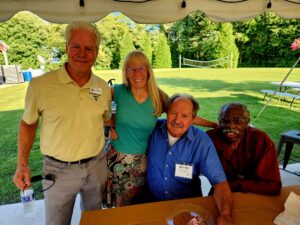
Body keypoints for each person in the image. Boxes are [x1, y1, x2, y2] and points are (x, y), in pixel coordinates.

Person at [13, 21, 111, 225]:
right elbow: (28, 124)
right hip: (58, 171)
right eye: (76, 46)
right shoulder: (41, 85)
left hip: (96, 167)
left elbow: (106, 119)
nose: (82, 53)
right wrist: (22, 164)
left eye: (89, 48)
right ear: (66, 47)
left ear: (97, 52)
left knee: (95, 220)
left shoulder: (102, 87)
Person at [106, 50, 218, 207]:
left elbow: (183, 114)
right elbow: (94, 108)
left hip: (143, 162)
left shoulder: (157, 95)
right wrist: (108, 124)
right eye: (131, 68)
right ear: (125, 71)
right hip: (116, 158)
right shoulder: (116, 91)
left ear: (148, 70)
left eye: (141, 68)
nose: (137, 73)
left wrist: (214, 125)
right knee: (118, 207)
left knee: (136, 206)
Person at [147, 93, 233, 225]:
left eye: (184, 116)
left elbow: (220, 184)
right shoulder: (153, 129)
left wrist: (226, 215)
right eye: (173, 113)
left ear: (193, 118)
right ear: (167, 113)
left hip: (188, 212)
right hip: (153, 204)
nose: (177, 120)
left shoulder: (202, 142)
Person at [206, 102, 282, 195]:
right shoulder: (210, 138)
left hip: (254, 195)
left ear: (247, 122)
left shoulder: (260, 140)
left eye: (237, 120)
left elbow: (273, 186)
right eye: (224, 121)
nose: (231, 126)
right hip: (220, 193)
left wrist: (236, 185)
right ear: (219, 121)